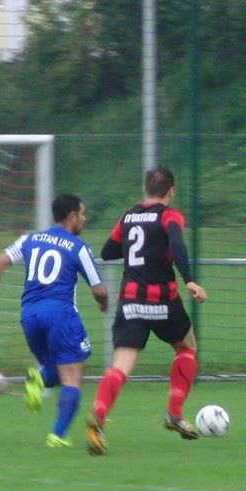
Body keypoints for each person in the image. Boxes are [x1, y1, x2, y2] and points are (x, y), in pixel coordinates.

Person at [85, 165, 209, 456]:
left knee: (121, 367)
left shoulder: (128, 216)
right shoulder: (169, 215)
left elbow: (107, 252)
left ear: (145, 189)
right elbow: (176, 242)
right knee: (187, 348)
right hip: (164, 301)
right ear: (171, 191)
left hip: (131, 301)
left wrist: (133, 245)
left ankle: (98, 418)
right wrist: (189, 279)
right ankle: (174, 413)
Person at [0, 193, 109, 448]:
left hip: (29, 315)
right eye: (82, 214)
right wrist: (104, 303)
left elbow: (0, 260)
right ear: (72, 216)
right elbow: (99, 289)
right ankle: (58, 435)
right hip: (60, 314)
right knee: (73, 375)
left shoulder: (31, 238)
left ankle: (37, 379)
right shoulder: (79, 247)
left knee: (58, 370)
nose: (84, 219)